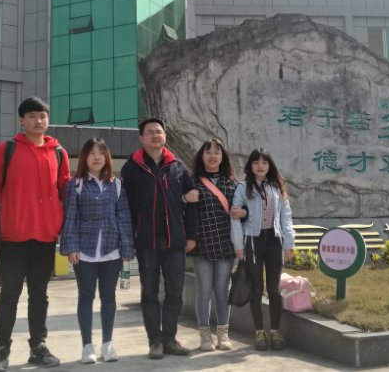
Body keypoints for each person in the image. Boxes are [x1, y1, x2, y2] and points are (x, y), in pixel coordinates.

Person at [0, 97, 71, 371]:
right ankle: (1, 351)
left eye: (43, 116)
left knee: (39, 295)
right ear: (22, 120)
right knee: (9, 294)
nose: (38, 121)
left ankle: (38, 347)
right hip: (13, 235)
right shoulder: (7, 150)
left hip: (45, 236)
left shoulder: (58, 152)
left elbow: (66, 190)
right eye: (32, 116)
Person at [120, 118, 199, 359]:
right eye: (150, 132)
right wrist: (128, 239)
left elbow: (192, 200)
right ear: (141, 138)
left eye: (159, 131)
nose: (155, 135)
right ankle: (155, 341)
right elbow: (126, 207)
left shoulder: (177, 166)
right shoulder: (131, 168)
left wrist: (191, 235)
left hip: (175, 241)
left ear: (165, 136)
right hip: (146, 242)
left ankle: (170, 339)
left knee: (175, 293)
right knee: (150, 294)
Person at [59, 138, 134, 364]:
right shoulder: (76, 185)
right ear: (85, 157)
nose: (97, 157)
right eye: (91, 153)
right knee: (86, 296)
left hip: (112, 251)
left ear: (106, 157)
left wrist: (127, 248)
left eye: (101, 152)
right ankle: (87, 346)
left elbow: (124, 218)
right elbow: (70, 218)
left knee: (108, 297)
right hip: (85, 251)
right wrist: (71, 247)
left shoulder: (117, 185)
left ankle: (108, 344)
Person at [230, 148, 295, 351]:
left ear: (269, 165)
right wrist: (238, 246)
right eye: (256, 162)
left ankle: (275, 331)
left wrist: (289, 243)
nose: (260, 166)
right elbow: (235, 217)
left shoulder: (277, 188)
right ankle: (259, 332)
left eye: (264, 162)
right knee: (257, 289)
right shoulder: (243, 188)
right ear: (250, 165)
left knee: (274, 289)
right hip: (252, 242)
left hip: (274, 241)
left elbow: (286, 217)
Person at [189, 139, 246, 351]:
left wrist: (244, 212)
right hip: (201, 244)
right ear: (201, 156)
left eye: (217, 152)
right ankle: (205, 335)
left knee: (222, 290)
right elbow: (185, 212)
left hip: (225, 244)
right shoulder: (192, 182)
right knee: (204, 290)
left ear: (223, 157)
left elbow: (245, 210)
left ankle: (223, 333)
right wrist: (185, 199)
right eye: (208, 152)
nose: (213, 156)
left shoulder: (233, 183)